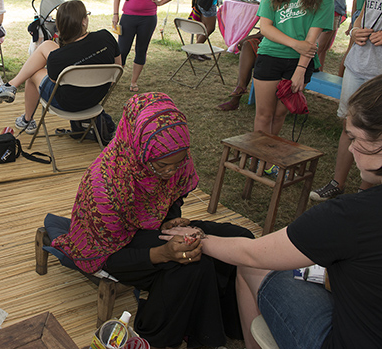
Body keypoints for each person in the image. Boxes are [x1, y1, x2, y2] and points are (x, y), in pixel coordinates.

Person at [161, 74, 382, 348]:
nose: (350, 148)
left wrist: (199, 239)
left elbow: (252, 253)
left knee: (250, 268)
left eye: (357, 140)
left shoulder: (352, 216)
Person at [47, 92, 253, 347]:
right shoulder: (105, 186)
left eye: (178, 164)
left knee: (240, 238)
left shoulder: (174, 156)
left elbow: (174, 197)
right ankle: (160, 336)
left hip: (150, 231)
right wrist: (163, 253)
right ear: (138, 148)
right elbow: (107, 259)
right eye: (163, 166)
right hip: (113, 249)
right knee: (193, 265)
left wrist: (171, 220)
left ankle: (234, 324)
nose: (171, 172)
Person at [310, 0, 382, 202]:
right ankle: (337, 184)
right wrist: (356, 30)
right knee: (350, 125)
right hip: (359, 63)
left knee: (375, 130)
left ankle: (367, 193)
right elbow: (363, 12)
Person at [0, 0, 121, 134]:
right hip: (95, 98)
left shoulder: (57, 58)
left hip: (68, 104)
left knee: (32, 74)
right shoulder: (106, 37)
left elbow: (55, 84)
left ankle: (26, 119)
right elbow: (118, 68)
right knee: (46, 46)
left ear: (59, 27)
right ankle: (10, 86)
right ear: (84, 21)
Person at [253, 0, 333, 140]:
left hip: (300, 63)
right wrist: (295, 44)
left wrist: (300, 69)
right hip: (270, 55)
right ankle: (257, 159)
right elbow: (266, 28)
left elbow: (312, 39)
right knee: (264, 114)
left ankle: (267, 157)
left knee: (280, 114)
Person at [216, 32, 263, 111]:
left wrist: (250, 37)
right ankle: (240, 87)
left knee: (249, 57)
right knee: (247, 44)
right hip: (265, 44)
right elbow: (262, 30)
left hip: (279, 48)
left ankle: (236, 97)